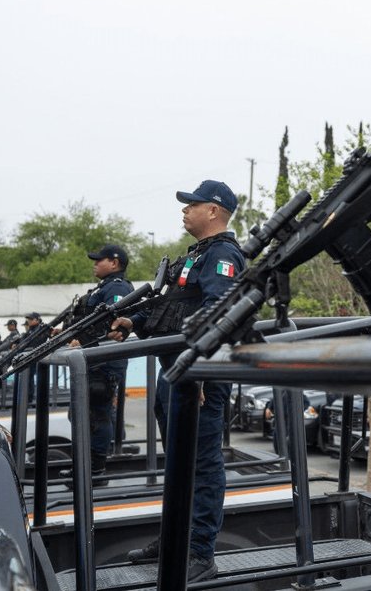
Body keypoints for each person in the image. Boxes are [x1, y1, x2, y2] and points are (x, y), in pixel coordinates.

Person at [114, 180, 246, 583]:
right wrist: (132, 321)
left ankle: (200, 553)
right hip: (176, 371)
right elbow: (170, 308)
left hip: (198, 375)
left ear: (213, 211)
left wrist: (202, 367)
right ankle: (175, 539)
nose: (185, 210)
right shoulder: (196, 256)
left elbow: (220, 312)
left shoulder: (223, 255)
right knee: (178, 462)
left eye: (193, 205)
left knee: (202, 465)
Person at [77, 244, 133, 477]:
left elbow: (112, 324)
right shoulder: (104, 287)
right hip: (96, 359)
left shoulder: (118, 288)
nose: (95, 263)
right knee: (85, 413)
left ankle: (96, 468)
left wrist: (83, 341)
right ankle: (87, 463)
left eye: (100, 260)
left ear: (114, 263)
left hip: (106, 362)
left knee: (98, 413)